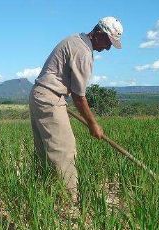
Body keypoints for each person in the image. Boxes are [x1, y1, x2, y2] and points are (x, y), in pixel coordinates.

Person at [29, 17, 123, 202]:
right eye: (107, 41)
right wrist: (93, 124)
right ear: (98, 33)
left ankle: (44, 196)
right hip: (50, 98)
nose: (108, 48)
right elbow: (79, 97)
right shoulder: (83, 52)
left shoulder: (75, 39)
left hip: (39, 94)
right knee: (65, 151)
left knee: (45, 151)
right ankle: (69, 202)